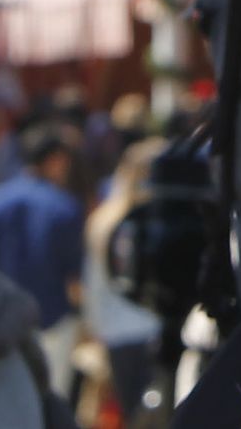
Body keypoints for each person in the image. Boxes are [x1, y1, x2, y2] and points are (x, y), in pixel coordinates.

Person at [0, 127, 84, 400]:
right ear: (55, 160)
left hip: (1, 322)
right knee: (51, 399)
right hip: (52, 320)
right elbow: (74, 278)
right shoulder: (64, 206)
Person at [82, 137, 164, 421]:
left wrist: (95, 329)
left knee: (134, 415)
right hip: (156, 332)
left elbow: (94, 286)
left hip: (118, 334)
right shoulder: (160, 219)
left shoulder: (104, 220)